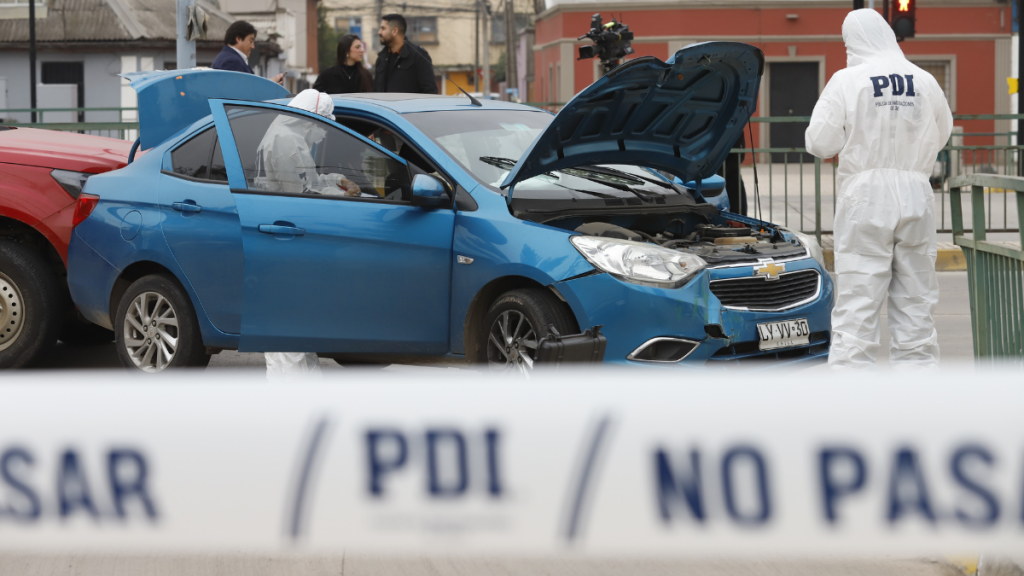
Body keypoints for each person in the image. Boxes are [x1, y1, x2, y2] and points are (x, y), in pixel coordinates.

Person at [805, 9, 952, 370]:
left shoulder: (846, 80)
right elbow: (943, 130)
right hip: (916, 193)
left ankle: (855, 408)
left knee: (858, 307)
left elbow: (820, 142)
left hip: (866, 197)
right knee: (916, 305)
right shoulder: (924, 80)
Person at [259, 89, 359, 379]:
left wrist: (337, 180)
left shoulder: (281, 133)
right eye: (324, 124)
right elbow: (303, 192)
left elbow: (306, 178)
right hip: (288, 240)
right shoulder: (288, 140)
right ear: (312, 119)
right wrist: (345, 195)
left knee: (288, 331)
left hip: (279, 239)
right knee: (290, 330)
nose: (325, 133)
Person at [374, 14, 438, 94]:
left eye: (383, 28)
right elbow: (376, 91)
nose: (379, 32)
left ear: (395, 31)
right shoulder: (381, 58)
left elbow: (430, 92)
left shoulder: (419, 56)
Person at [212, 20, 285, 85]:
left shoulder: (228, 57)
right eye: (250, 41)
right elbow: (245, 92)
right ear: (238, 39)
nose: (253, 46)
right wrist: (268, 85)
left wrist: (270, 82)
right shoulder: (231, 61)